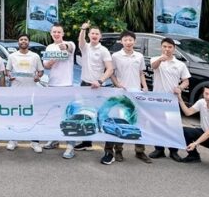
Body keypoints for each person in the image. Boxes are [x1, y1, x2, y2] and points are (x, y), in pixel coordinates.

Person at [103, 31, 152, 164]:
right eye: (125, 40)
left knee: (138, 122)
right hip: (121, 93)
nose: (128, 42)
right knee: (121, 121)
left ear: (134, 41)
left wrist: (144, 86)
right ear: (121, 41)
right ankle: (118, 150)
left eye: (131, 40)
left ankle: (140, 151)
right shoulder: (116, 56)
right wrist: (117, 84)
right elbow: (111, 72)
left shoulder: (139, 56)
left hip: (136, 93)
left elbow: (141, 73)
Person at [147, 37, 191, 162]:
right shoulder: (155, 59)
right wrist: (161, 59)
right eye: (165, 46)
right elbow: (153, 67)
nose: (167, 49)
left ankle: (173, 151)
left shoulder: (180, 64)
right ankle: (159, 149)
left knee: (173, 126)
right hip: (157, 99)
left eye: (170, 47)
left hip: (172, 100)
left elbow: (186, 81)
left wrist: (180, 87)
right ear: (161, 47)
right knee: (157, 125)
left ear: (174, 49)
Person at [74, 22, 114, 152]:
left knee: (100, 114)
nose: (94, 35)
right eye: (92, 33)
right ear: (89, 35)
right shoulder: (85, 47)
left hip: (98, 87)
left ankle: (107, 143)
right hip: (84, 85)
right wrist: (83, 29)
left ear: (100, 36)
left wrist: (100, 81)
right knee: (85, 114)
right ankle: (86, 142)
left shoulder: (104, 50)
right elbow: (80, 40)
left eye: (97, 33)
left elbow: (110, 69)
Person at [41, 23, 78, 159]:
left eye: (59, 32)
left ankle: (70, 146)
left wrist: (64, 47)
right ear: (51, 34)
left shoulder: (70, 44)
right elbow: (46, 65)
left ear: (63, 33)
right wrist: (52, 61)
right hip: (52, 85)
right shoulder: (49, 47)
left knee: (68, 116)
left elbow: (69, 48)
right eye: (54, 32)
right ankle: (54, 139)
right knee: (54, 115)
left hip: (66, 85)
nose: (56, 34)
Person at [5, 33, 44, 153]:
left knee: (33, 116)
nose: (23, 41)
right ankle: (13, 140)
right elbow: (7, 71)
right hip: (16, 91)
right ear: (18, 42)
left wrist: (38, 76)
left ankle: (35, 142)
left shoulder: (35, 56)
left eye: (25, 39)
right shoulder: (12, 56)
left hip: (32, 91)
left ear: (28, 42)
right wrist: (9, 76)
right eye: (21, 39)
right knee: (15, 115)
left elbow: (41, 71)